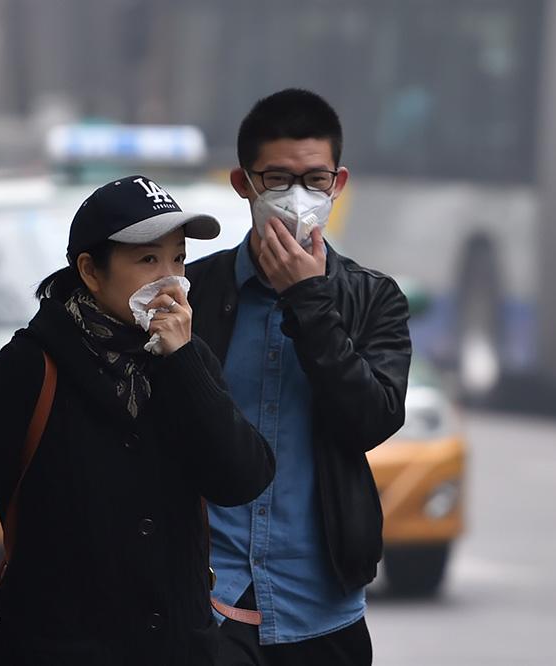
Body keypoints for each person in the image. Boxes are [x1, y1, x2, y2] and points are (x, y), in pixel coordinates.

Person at [0, 175, 275, 665]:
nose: (170, 280)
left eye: (178, 258)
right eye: (147, 259)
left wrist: (183, 364)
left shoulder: (186, 360)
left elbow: (243, 477)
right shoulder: (32, 368)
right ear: (91, 272)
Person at [186, 89, 412, 665]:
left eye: (315, 180)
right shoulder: (194, 293)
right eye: (278, 178)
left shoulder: (372, 299)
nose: (297, 197)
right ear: (243, 183)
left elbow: (372, 419)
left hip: (321, 610)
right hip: (205, 602)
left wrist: (308, 299)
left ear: (338, 184)